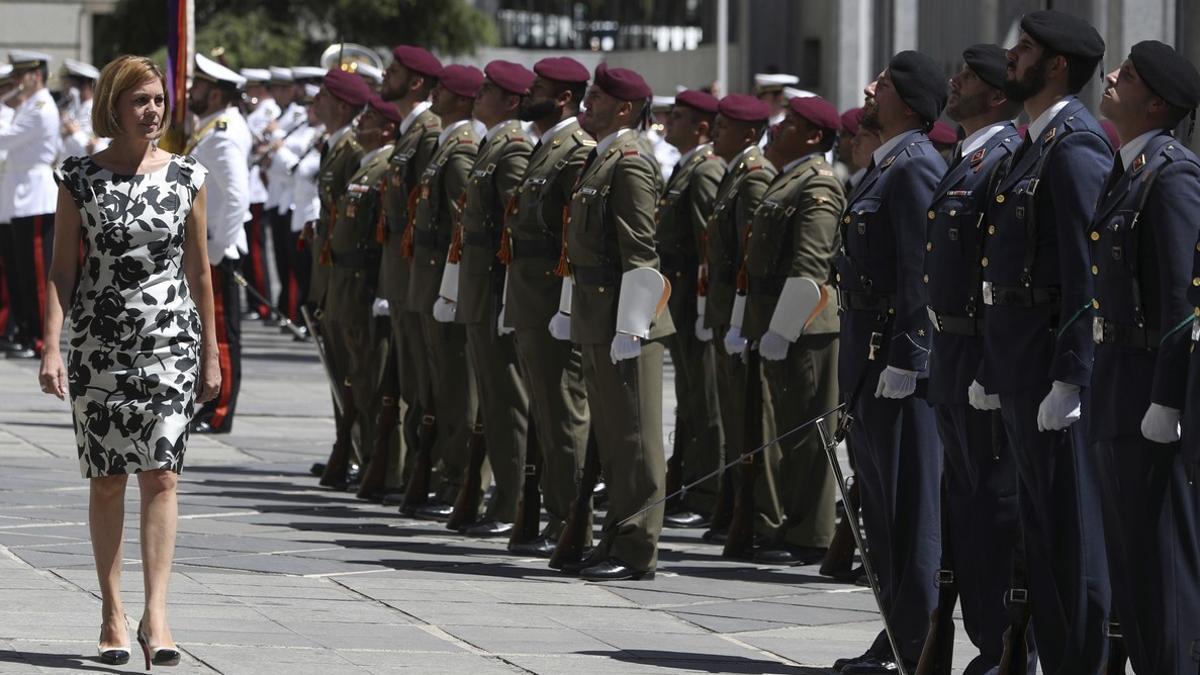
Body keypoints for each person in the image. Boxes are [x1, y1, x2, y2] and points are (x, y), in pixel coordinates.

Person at [39, 54, 218, 669]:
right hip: (100, 346)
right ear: (112, 106)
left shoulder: (188, 176)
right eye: (140, 101)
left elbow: (199, 271)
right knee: (109, 476)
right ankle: (113, 613)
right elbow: (63, 270)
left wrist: (212, 356)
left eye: (158, 101)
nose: (152, 111)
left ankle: (158, 615)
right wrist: (52, 347)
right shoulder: (79, 178)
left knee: (162, 474)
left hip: (170, 342)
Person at [977, 11, 1112, 672]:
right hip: (1022, 366)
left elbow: (1089, 275)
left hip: (1051, 373)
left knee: (1072, 541)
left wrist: (1072, 376)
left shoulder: (1075, 144)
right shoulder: (1037, 141)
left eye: (1024, 49)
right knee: (1042, 536)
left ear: (1056, 66)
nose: (1011, 56)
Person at [831, 51, 947, 674]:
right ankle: (899, 636)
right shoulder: (886, 167)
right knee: (882, 513)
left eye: (884, 82)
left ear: (907, 100)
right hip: (867, 365)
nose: (871, 87)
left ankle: (917, 644)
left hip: (894, 369)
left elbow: (918, 277)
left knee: (910, 515)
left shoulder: (916, 169)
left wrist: (910, 358)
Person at [1092, 41, 1200, 674]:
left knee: (1162, 570)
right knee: (1130, 568)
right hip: (1116, 384)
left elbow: (1182, 300)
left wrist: (1166, 395)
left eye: (1126, 76)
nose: (1111, 77)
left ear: (1156, 102)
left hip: (1145, 392)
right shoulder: (1130, 167)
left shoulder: (1173, 173)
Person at [919, 44, 1024, 673]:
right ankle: (987, 641)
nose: (952, 83)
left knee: (994, 511)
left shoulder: (1001, 159)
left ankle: (1004, 644)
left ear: (995, 95)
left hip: (982, 360)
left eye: (967, 79)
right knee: (964, 509)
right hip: (952, 356)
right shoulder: (967, 158)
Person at [557, 63, 674, 581]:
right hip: (598, 315)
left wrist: (632, 326)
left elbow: (640, 253)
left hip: (625, 321)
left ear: (625, 109)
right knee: (611, 435)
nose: (589, 102)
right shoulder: (601, 157)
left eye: (599, 97)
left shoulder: (629, 162)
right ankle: (615, 537)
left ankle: (637, 548)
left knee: (636, 439)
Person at [742, 95, 845, 566]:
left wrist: (783, 329)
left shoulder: (817, 184)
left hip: (807, 327)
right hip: (783, 321)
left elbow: (810, 267)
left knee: (809, 433)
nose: (777, 127)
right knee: (790, 430)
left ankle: (812, 534)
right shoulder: (790, 179)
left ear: (812, 136)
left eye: (790, 122)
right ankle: (796, 524)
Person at [438, 60, 536, 535]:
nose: (479, 97)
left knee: (506, 400)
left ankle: (513, 499)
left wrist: (505, 299)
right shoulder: (493, 143)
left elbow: (514, 229)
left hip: (496, 289)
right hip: (480, 287)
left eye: (490, 91)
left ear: (512, 101)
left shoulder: (512, 148)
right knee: (494, 401)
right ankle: (503, 497)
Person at [505, 56, 595, 557]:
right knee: (545, 411)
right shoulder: (547, 147)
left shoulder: (573, 151)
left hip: (551, 301)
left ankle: (572, 522)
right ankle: (559, 515)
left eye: (538, 86)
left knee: (563, 414)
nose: (527, 92)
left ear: (563, 97)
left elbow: (571, 241)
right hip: (530, 296)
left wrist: (565, 307)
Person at [403, 64, 482, 517]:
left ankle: (458, 478)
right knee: (437, 382)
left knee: (456, 384)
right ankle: (445, 473)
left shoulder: (461, 146)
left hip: (443, 277)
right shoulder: (448, 142)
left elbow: (460, 226)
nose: (436, 92)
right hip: (428, 274)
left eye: (446, 89)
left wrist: (452, 286)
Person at [701, 94, 777, 546]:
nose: (715, 132)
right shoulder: (735, 173)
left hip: (741, 315)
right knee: (734, 417)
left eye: (724, 126)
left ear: (748, 135)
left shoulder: (753, 177)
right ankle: (734, 507)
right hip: (725, 309)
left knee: (749, 419)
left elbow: (752, 259)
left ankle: (756, 515)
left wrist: (740, 320)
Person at [373, 44, 442, 506]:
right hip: (401, 271)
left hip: (420, 271)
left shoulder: (429, 133)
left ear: (415, 82)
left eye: (394, 72)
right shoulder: (410, 131)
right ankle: (416, 470)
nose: (385, 76)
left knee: (427, 382)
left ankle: (433, 472)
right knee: (410, 379)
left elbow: (428, 215)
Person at [654, 89, 725, 530]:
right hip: (678, 296)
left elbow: (707, 246)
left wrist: (703, 306)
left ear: (700, 126)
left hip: (692, 297)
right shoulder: (687, 167)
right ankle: (689, 483)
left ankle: (707, 490)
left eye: (677, 117)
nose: (668, 124)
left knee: (704, 398)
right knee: (689, 397)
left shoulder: (704, 171)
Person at [310, 67, 370, 486]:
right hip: (329, 272)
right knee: (338, 368)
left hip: (346, 274)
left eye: (325, 96)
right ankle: (345, 445)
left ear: (344, 105)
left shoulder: (352, 147)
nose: (316, 101)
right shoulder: (335, 144)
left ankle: (359, 449)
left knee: (353, 371)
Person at [186, 54, 252, 435]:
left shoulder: (223, 133)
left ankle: (220, 410)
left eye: (197, 86)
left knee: (221, 336)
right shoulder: (211, 127)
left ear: (213, 94)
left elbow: (236, 199)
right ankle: (210, 404)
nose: (191, 92)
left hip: (219, 251)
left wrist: (215, 250)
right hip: (209, 248)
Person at [0, 50, 60, 359]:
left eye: (20, 76)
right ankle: (25, 334)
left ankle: (39, 339)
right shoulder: (27, 105)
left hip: (36, 196)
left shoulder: (39, 107)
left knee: (36, 277)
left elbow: (5, 138)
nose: (15, 83)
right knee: (21, 272)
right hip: (21, 195)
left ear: (35, 75)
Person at [60, 59, 105, 159]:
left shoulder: (96, 111)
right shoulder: (73, 108)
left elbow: (92, 147)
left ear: (85, 86)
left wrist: (74, 132)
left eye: (71, 84)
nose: (67, 88)